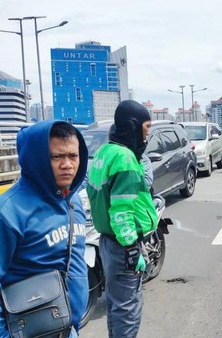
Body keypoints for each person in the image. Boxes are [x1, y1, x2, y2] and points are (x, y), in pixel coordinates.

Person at [0, 121, 89, 337]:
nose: (67, 164)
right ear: (37, 159)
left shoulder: (72, 200)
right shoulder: (4, 214)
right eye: (57, 157)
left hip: (68, 330)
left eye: (73, 156)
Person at [86, 100, 157, 338]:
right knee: (128, 309)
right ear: (133, 126)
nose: (148, 133)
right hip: (122, 243)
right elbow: (121, 211)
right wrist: (131, 248)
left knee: (118, 307)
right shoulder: (125, 158)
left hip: (108, 240)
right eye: (146, 126)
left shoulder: (105, 152)